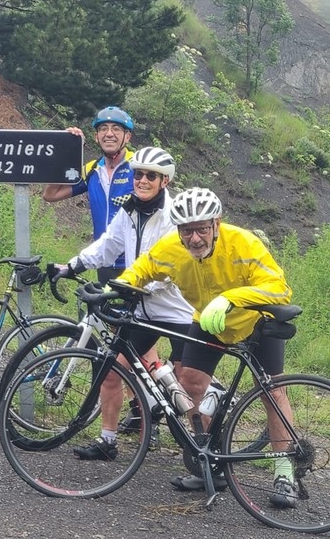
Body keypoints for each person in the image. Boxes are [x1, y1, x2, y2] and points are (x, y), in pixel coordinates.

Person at [117, 187, 297, 507]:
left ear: (216, 224)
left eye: (201, 229)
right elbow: (143, 269)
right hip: (209, 321)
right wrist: (116, 287)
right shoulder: (171, 248)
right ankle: (209, 461)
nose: (195, 238)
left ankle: (285, 475)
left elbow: (278, 288)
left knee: (272, 390)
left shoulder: (244, 243)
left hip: (255, 319)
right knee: (189, 384)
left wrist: (231, 298)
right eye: (187, 231)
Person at [52, 147, 193, 460]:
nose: (142, 180)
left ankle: (206, 449)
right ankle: (107, 441)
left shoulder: (174, 217)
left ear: (165, 181)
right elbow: (108, 244)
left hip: (178, 308)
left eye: (151, 176)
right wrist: (72, 266)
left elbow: (173, 267)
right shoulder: (129, 210)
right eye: (138, 174)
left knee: (189, 381)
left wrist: (132, 287)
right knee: (112, 369)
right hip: (142, 307)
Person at [43, 106, 136, 285]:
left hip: (135, 260)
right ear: (96, 136)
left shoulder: (138, 167)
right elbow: (51, 194)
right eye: (103, 129)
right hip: (104, 260)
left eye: (116, 129)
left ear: (127, 136)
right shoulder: (92, 169)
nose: (109, 134)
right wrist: (69, 150)